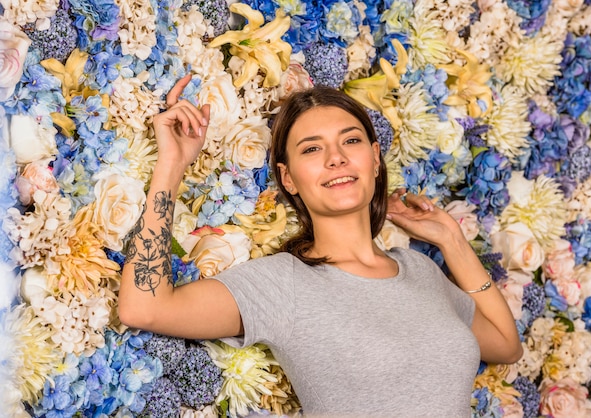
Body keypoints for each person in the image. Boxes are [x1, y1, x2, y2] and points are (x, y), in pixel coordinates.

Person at [119, 75, 523, 417]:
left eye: (351, 141)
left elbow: (506, 345)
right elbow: (145, 307)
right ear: (289, 178)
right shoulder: (285, 284)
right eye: (312, 148)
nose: (336, 158)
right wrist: (171, 166)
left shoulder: (419, 270)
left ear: (375, 158)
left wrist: (453, 240)